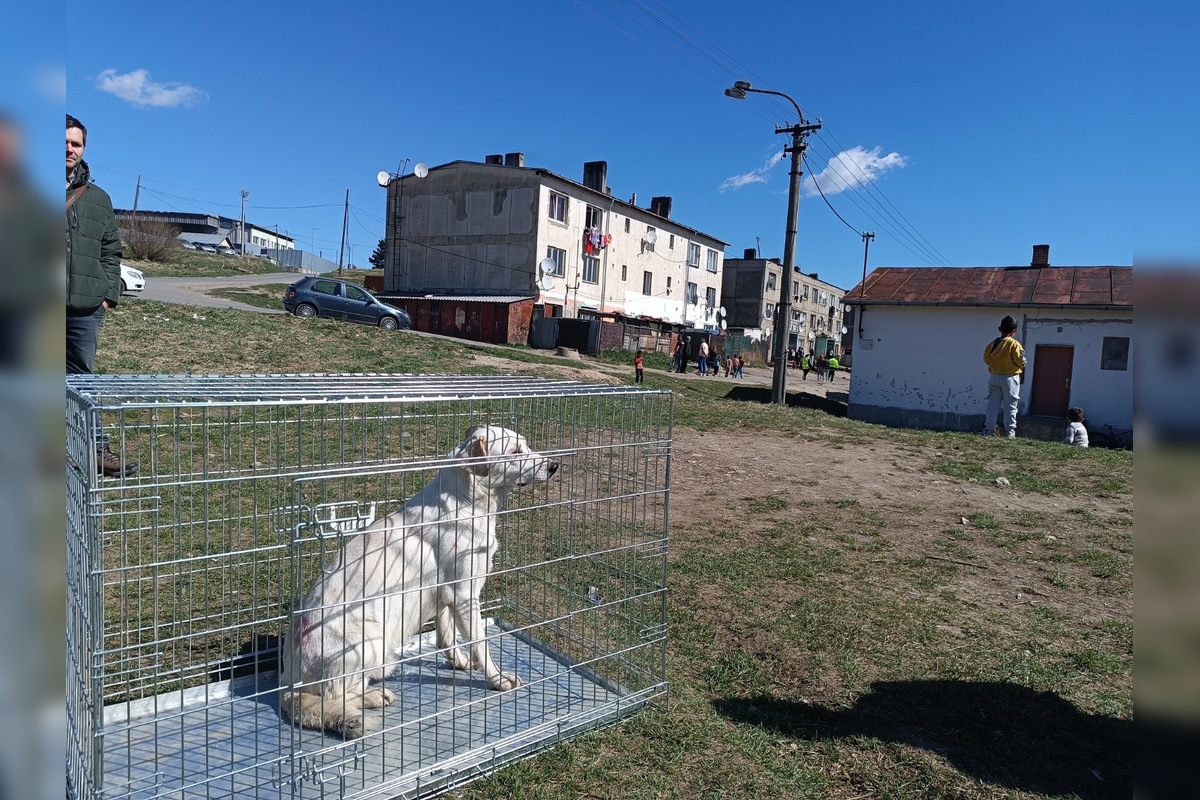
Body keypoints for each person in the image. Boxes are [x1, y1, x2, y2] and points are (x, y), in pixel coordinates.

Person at [67, 114, 137, 476]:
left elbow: (112, 250)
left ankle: (96, 451)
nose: (68, 148)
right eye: (62, 142)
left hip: (84, 308)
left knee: (83, 381)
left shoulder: (98, 199)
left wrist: (107, 294)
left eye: (75, 143)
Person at [981, 314, 1027, 438]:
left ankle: (989, 429)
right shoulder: (1014, 344)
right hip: (1010, 377)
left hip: (994, 376)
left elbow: (986, 359)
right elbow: (1020, 360)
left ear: (1000, 329)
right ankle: (1010, 432)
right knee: (1010, 405)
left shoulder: (991, 344)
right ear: (1014, 331)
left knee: (992, 404)